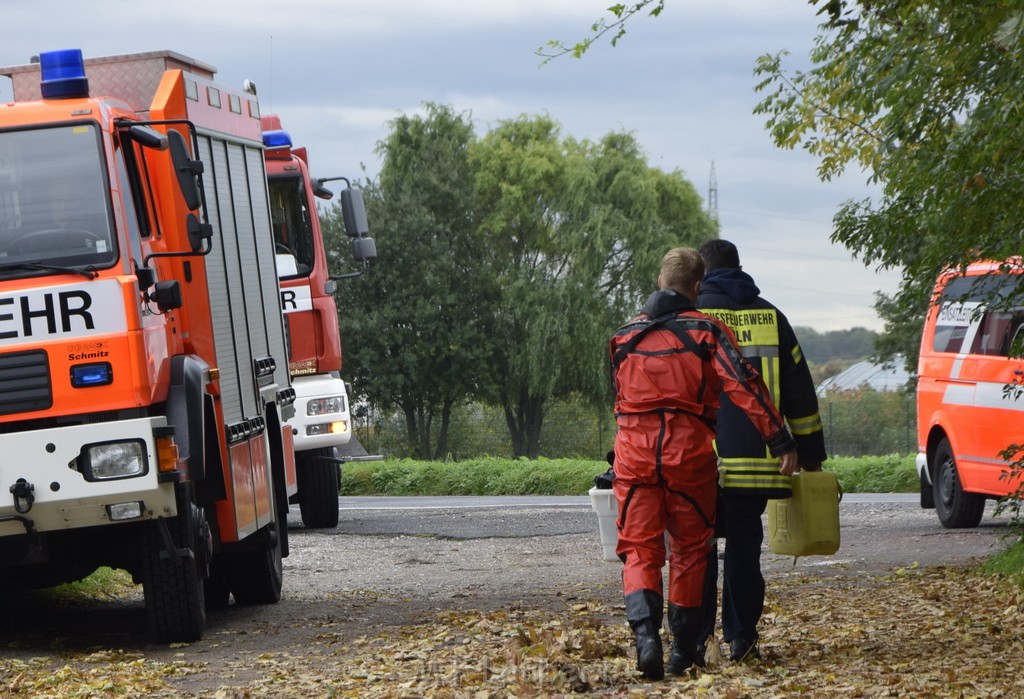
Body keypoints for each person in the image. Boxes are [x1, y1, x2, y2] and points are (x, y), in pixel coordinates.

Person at [609, 246, 798, 679]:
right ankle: (680, 652)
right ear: (696, 288)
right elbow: (744, 385)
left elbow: (620, 403)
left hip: (634, 458)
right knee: (691, 552)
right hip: (687, 457)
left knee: (640, 550)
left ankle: (645, 638)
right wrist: (779, 439)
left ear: (660, 280)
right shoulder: (707, 331)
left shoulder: (622, 337)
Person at [695, 239, 828, 663]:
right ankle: (742, 637)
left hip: (702, 461)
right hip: (760, 461)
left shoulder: (690, 317)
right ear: (739, 268)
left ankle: (698, 641)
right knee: (744, 551)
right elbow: (800, 392)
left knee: (696, 549)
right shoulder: (772, 317)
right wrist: (810, 455)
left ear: (701, 274)